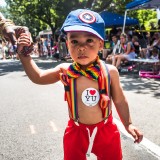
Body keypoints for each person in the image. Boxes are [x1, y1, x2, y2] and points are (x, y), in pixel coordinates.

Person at [2, 9, 143, 160]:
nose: (81, 47)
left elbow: (120, 100)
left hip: (106, 129)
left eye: (89, 41)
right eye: (74, 41)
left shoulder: (110, 71)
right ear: (67, 44)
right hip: (76, 131)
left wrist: (128, 124)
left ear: (101, 44)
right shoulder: (65, 70)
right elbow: (38, 77)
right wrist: (24, 54)